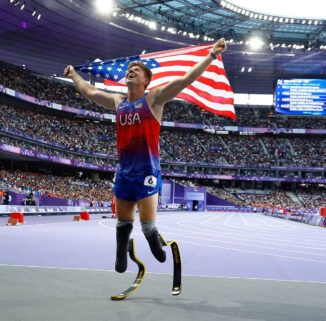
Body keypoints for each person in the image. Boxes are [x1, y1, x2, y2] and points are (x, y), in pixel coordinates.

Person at [64, 39, 227, 273]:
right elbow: (90, 91)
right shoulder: (117, 102)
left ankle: (155, 245)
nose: (130, 71)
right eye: (129, 70)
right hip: (124, 172)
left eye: (136, 70)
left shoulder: (153, 99)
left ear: (146, 80)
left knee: (148, 226)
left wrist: (211, 55)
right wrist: (73, 76)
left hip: (147, 172)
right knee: (123, 223)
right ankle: (121, 257)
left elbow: (184, 81)